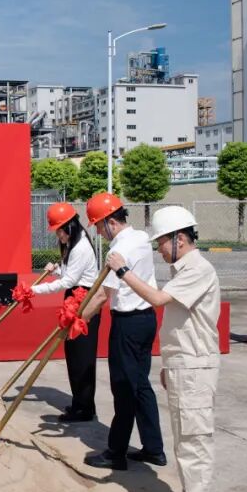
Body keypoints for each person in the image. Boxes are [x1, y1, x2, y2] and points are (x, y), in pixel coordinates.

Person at [107, 206, 220, 492]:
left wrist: (123, 271)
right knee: (184, 440)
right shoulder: (184, 269)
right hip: (184, 365)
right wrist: (170, 366)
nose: (159, 250)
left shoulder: (197, 269)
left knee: (194, 443)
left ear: (179, 239)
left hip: (195, 367)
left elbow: (156, 300)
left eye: (161, 243)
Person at [81, 192, 165, 471]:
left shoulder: (118, 251)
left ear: (110, 222)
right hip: (146, 320)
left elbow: (102, 295)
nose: (98, 232)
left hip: (127, 324)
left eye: (98, 226)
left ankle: (116, 452)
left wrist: (78, 319)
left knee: (124, 387)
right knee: (140, 385)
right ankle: (154, 448)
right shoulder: (140, 238)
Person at [31, 203, 101, 422]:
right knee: (73, 354)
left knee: (83, 356)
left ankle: (85, 408)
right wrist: (57, 269)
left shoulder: (80, 247)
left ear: (69, 226)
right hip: (74, 297)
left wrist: (34, 290)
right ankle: (79, 402)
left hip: (84, 301)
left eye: (59, 230)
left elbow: (69, 281)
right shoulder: (73, 243)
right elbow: (69, 273)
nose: (58, 235)